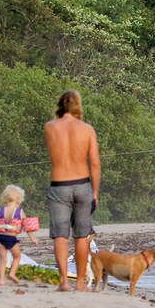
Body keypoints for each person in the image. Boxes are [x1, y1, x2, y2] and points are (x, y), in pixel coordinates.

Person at [43, 89, 100, 292]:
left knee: (60, 235)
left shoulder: (50, 127)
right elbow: (94, 162)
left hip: (59, 184)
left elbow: (53, 153)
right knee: (81, 235)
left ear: (59, 105)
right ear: (78, 105)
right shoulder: (87, 129)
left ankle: (63, 281)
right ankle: (80, 283)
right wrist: (95, 191)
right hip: (82, 184)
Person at [0, 185, 40, 285]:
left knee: (3, 260)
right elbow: (27, 227)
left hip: (1, 238)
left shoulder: (0, 211)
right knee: (17, 257)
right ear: (18, 199)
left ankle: (1, 281)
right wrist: (33, 239)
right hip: (12, 239)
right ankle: (12, 273)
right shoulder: (19, 212)